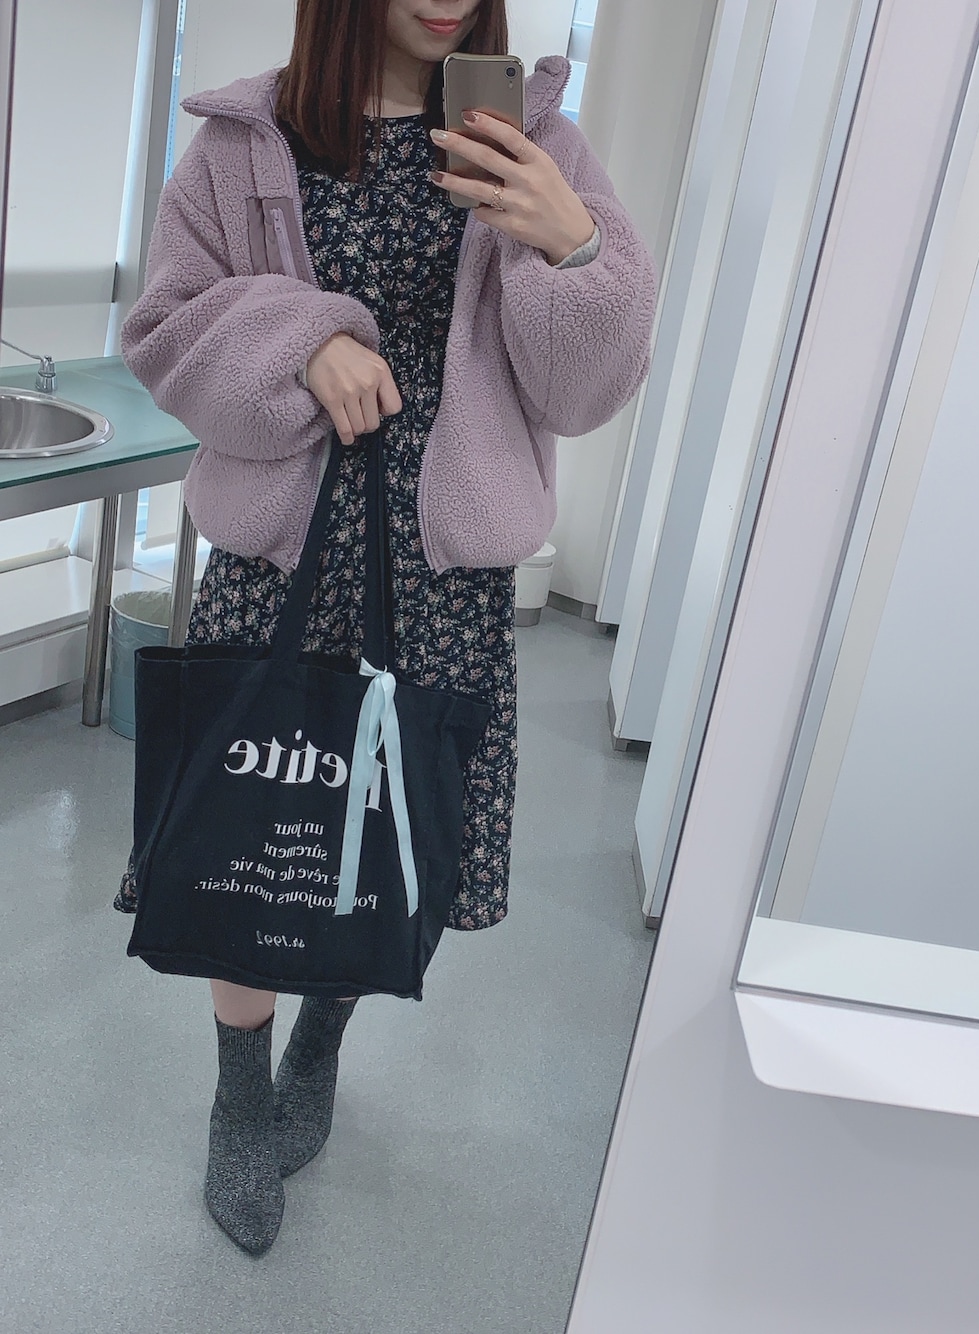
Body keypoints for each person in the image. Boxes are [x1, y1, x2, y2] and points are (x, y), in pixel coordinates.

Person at [116, 0, 657, 1256]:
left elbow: (580, 393)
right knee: (252, 834)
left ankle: (321, 1040)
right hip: (277, 560)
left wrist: (574, 249)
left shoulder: (537, 142)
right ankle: (239, 1093)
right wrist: (301, 341)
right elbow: (165, 329)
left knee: (388, 835)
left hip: (443, 575)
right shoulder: (245, 140)